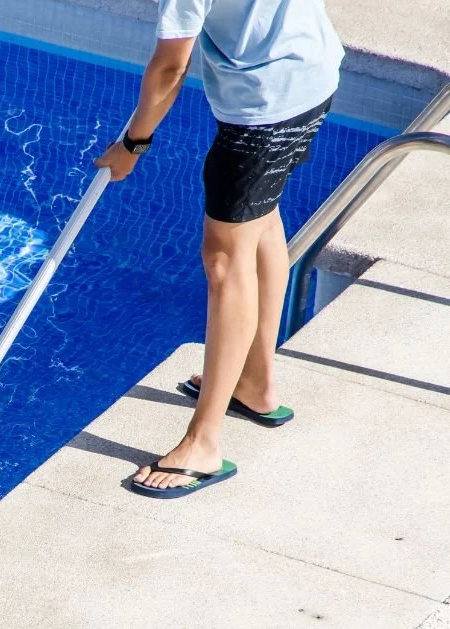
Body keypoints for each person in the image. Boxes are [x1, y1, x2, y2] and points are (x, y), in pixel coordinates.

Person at [95, 0, 344, 498]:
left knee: (224, 261)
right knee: (261, 222)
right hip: (311, 78)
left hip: (262, 112)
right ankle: (256, 383)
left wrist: (133, 144)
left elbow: (171, 65)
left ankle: (203, 444)